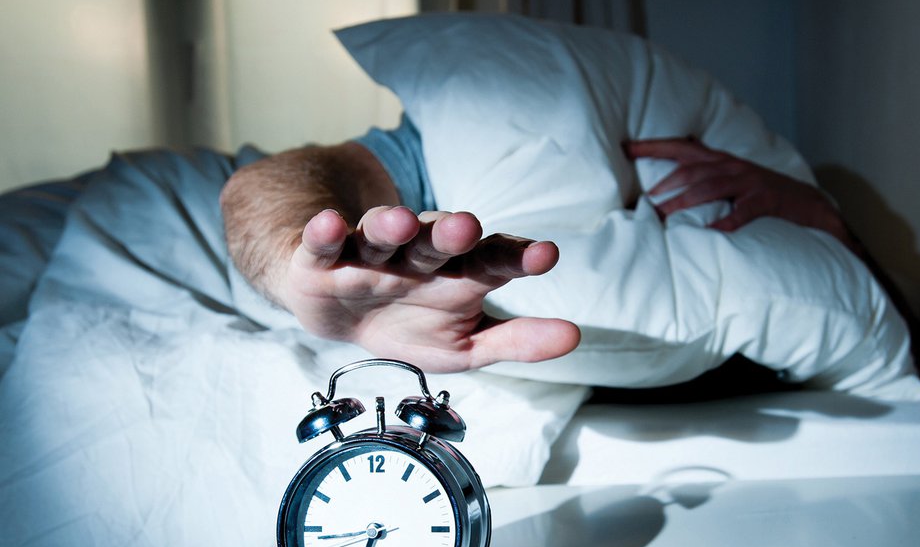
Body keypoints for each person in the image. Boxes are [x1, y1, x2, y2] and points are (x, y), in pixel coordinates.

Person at [220, 117, 867, 378]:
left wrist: (827, 221)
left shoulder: (781, 222)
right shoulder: (480, 133)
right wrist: (288, 262)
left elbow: (910, 360)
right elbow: (268, 185)